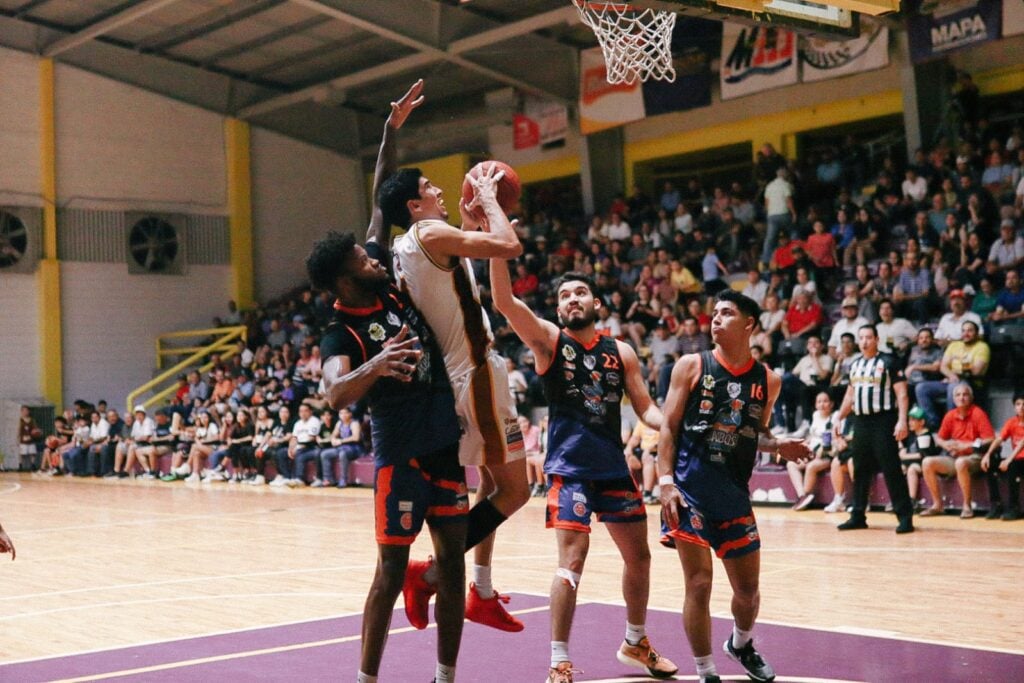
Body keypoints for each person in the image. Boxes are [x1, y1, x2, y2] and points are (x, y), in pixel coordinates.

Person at [309, 75, 467, 683]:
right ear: (343, 278)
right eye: (362, 257)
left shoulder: (381, 278)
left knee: (452, 564)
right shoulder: (338, 331)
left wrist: (389, 132)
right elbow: (333, 391)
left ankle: (445, 676)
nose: (374, 256)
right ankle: (368, 679)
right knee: (389, 575)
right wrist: (376, 365)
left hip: (443, 444)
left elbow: (379, 199)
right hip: (399, 457)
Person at [379, 82, 529, 633]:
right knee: (515, 489)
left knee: (494, 487)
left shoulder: (409, 244)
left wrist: (467, 218)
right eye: (428, 187)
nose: (440, 188)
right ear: (414, 207)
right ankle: (433, 574)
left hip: (462, 374)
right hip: (475, 373)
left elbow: (457, 282)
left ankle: (478, 591)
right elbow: (509, 246)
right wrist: (490, 201)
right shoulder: (429, 233)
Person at [490, 264, 677, 683]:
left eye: (580, 293)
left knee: (640, 558)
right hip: (570, 470)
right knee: (571, 563)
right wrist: (497, 249)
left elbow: (644, 407)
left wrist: (671, 425)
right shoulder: (550, 341)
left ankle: (636, 641)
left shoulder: (621, 352)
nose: (572, 299)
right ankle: (558, 659)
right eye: (565, 296)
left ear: (596, 302)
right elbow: (504, 301)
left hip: (612, 468)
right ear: (558, 309)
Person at [658, 290, 811, 683]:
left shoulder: (768, 381)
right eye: (715, 313)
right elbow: (669, 428)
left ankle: (741, 644)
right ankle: (706, 670)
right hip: (688, 493)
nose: (716, 319)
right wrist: (665, 482)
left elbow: (754, 432)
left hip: (733, 497)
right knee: (699, 582)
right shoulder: (691, 366)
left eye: (726, 313)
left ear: (749, 324)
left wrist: (778, 444)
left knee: (748, 592)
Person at [832, 325, 915, 534]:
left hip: (883, 420)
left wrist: (902, 421)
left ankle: (905, 517)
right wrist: (838, 417)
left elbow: (902, 394)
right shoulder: (855, 364)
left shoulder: (888, 361)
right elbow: (850, 396)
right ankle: (857, 515)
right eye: (861, 338)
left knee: (891, 468)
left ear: (877, 339)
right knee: (860, 469)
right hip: (860, 421)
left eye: (869, 337)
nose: (864, 341)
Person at [920, 383, 994, 519]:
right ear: (953, 399)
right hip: (955, 457)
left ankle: (967, 506)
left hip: (975, 457)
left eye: (965, 394)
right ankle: (937, 505)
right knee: (927, 462)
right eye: (958, 395)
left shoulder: (978, 413)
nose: (961, 398)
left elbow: (990, 439)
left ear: (971, 397)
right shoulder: (950, 415)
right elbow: (939, 438)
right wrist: (945, 444)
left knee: (961, 462)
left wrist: (967, 445)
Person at [789, 392, 837, 511]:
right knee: (791, 464)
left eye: (825, 401)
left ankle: (805, 496)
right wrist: (804, 443)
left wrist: (820, 450)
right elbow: (813, 435)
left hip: (827, 455)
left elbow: (833, 439)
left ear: (831, 404)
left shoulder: (835, 417)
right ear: (815, 405)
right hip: (813, 453)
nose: (822, 404)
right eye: (819, 401)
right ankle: (802, 496)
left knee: (811, 467)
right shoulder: (815, 415)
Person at [981, 393, 1024, 520]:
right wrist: (987, 455)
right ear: (1014, 407)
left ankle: (1014, 508)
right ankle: (996, 505)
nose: (1021, 407)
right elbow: (999, 439)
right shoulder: (1011, 422)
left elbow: (1022, 443)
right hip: (1015, 459)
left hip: (1018, 460)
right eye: (1018, 404)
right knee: (991, 464)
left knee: (1012, 465)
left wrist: (1009, 460)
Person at [899, 406, 940, 507]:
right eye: (909, 420)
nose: (910, 423)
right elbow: (904, 449)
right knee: (900, 468)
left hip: (923, 464)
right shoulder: (912, 435)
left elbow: (922, 455)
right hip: (911, 461)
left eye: (913, 420)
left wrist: (905, 456)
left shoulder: (925, 435)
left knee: (912, 469)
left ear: (922, 422)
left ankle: (912, 499)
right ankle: (899, 498)